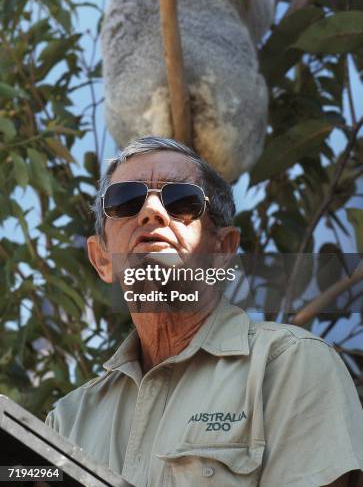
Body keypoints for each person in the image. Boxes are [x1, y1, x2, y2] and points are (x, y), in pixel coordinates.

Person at [46, 136, 363, 487]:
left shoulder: (290, 365)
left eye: (182, 200)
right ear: (102, 260)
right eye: (125, 201)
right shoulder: (68, 420)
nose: (152, 212)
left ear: (223, 250)